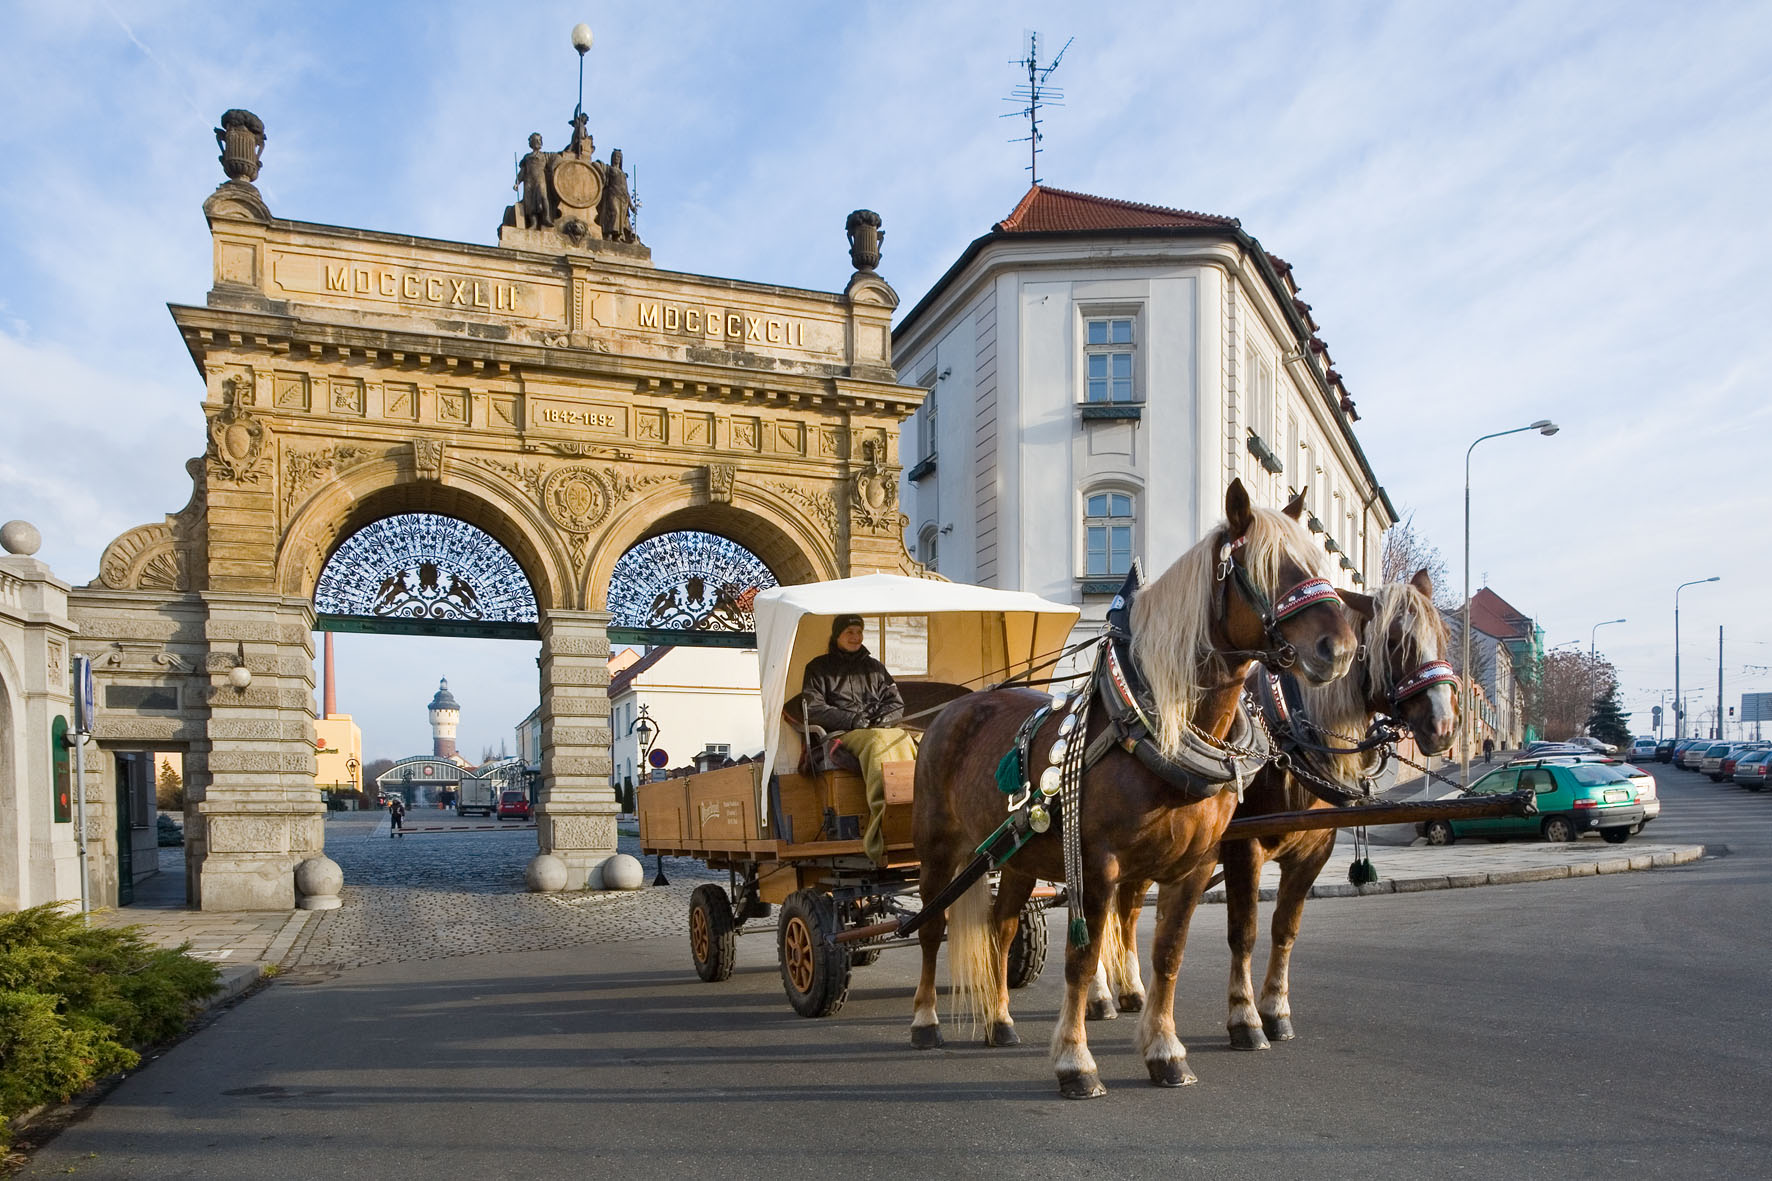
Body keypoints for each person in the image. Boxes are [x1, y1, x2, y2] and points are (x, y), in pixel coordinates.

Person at [800, 614, 917, 865]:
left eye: (859, 631)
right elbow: (814, 707)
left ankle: (913, 812)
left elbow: (896, 703)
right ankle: (881, 822)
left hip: (879, 729)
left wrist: (882, 718)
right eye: (850, 632)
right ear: (837, 636)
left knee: (905, 739)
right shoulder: (818, 668)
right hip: (841, 735)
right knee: (877, 742)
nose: (856, 637)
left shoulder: (875, 667)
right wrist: (851, 720)